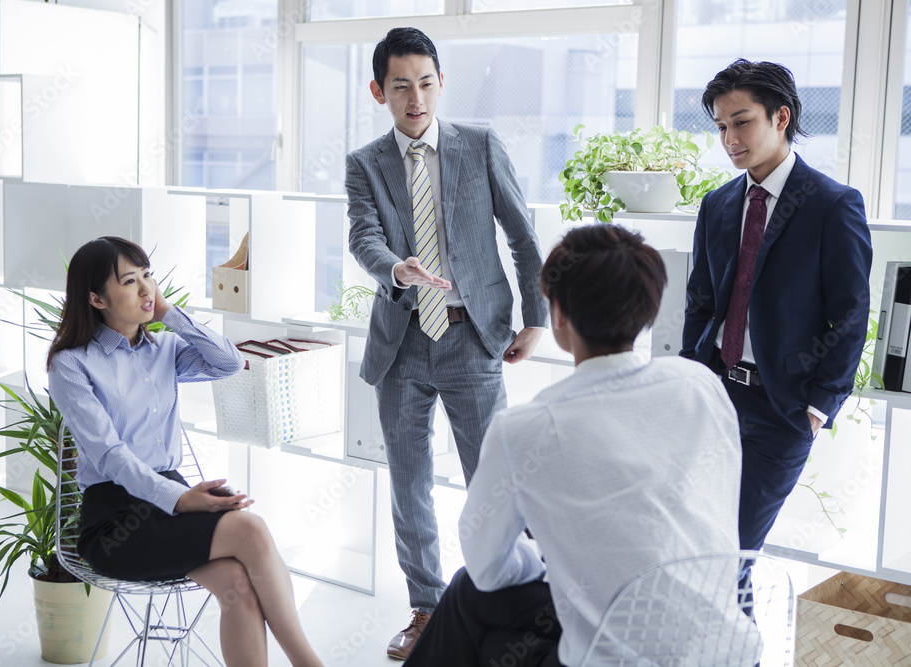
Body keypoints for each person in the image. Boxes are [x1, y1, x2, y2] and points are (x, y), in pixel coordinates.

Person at [404, 224, 758, 666]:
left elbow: (488, 568)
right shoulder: (700, 385)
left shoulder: (526, 429)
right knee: (471, 596)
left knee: (477, 608)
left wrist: (549, 557)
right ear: (649, 309)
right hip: (729, 651)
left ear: (559, 319)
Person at [345, 26, 549, 658]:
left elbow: (521, 234)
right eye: (401, 86)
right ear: (379, 90)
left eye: (427, 83)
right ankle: (427, 609)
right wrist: (395, 270)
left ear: (441, 84)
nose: (416, 98)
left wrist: (535, 316)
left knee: (494, 480)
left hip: (471, 338)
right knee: (408, 484)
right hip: (401, 339)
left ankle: (510, 603)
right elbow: (363, 236)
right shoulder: (365, 163)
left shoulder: (480, 147)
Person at [47, 236, 323, 667]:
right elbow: (110, 455)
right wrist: (179, 498)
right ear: (96, 298)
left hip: (172, 502)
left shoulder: (165, 349)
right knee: (249, 531)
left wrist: (171, 315)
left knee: (237, 582)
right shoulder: (72, 363)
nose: (146, 290)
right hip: (116, 522)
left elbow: (229, 363)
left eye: (147, 276)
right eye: (129, 281)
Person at [681, 59, 872, 559]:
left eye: (741, 122)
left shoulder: (833, 205)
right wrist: (691, 379)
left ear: (780, 118)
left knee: (736, 553)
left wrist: (816, 408)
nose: (729, 139)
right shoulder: (717, 204)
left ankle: (733, 638)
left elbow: (851, 316)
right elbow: (700, 301)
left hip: (780, 410)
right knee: (694, 546)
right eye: (721, 126)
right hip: (713, 398)